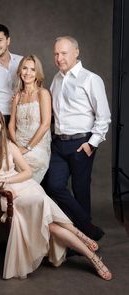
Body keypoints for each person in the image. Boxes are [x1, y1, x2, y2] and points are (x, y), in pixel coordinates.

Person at [0, 106, 112, 280]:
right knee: (48, 216)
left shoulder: (9, 145)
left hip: (24, 186)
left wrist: (7, 180)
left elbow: (27, 172)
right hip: (4, 195)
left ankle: (91, 255)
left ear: (2, 125)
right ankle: (83, 240)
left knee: (48, 216)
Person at [43, 36, 111, 241]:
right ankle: (88, 228)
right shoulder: (56, 79)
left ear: (76, 52)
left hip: (81, 143)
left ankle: (82, 239)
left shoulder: (91, 79)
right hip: (58, 142)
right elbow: (53, 114)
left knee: (81, 190)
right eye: (56, 53)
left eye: (63, 53)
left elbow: (104, 116)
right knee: (53, 185)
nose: (59, 58)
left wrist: (91, 144)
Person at [8, 54, 51, 183]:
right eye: (25, 68)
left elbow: (45, 124)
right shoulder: (17, 97)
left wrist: (27, 148)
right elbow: (11, 125)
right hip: (18, 143)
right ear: (20, 71)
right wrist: (16, 146)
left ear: (37, 73)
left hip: (36, 147)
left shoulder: (42, 94)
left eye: (33, 69)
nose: (28, 73)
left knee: (21, 168)